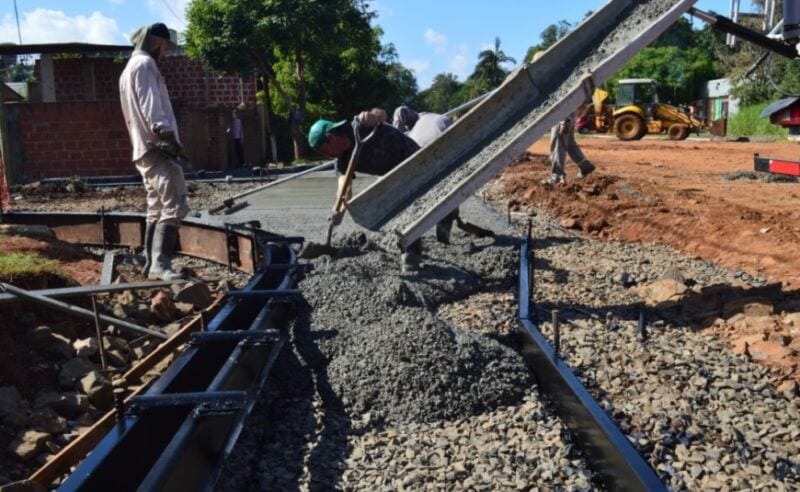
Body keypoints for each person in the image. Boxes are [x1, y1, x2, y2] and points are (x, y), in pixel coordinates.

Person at [308, 111, 422, 269]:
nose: (326, 156)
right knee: (392, 206)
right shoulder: (342, 160)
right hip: (393, 176)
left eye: (323, 150)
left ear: (330, 138)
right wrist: (338, 210)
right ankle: (409, 248)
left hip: (415, 159)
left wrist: (373, 116)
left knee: (404, 203)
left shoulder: (358, 126)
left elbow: (381, 114)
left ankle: (412, 252)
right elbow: (344, 188)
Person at [119, 23, 188, 281]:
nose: (166, 52)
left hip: (143, 149)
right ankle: (160, 264)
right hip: (157, 148)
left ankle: (150, 265)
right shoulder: (146, 65)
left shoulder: (128, 69)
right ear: (157, 41)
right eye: (166, 46)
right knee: (175, 204)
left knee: (155, 206)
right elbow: (152, 107)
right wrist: (167, 135)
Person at [542, 113, 595, 185]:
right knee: (570, 145)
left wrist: (563, 122)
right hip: (571, 118)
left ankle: (557, 176)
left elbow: (562, 105)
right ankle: (585, 166)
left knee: (557, 146)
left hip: (562, 118)